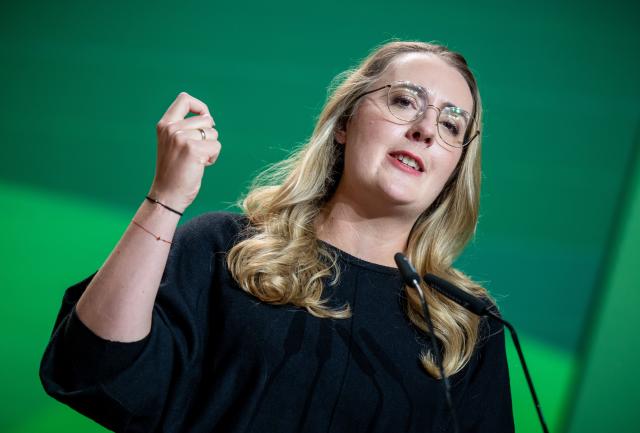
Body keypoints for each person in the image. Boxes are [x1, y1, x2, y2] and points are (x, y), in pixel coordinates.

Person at [40, 40, 514, 432]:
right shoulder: (227, 250)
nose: (426, 129)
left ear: (455, 170)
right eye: (404, 101)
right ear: (345, 124)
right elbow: (94, 368)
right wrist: (165, 199)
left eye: (451, 124)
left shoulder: (464, 325)